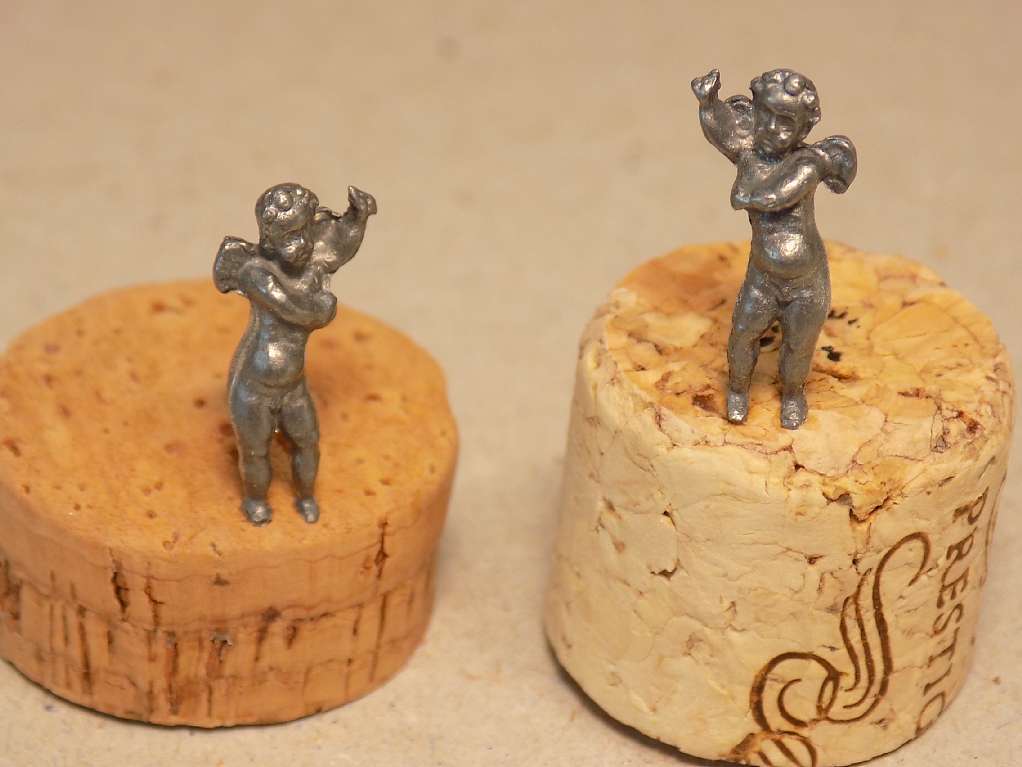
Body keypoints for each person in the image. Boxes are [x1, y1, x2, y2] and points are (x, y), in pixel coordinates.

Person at [691, 68, 856, 429]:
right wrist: (708, 103)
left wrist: (746, 195)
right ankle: (737, 389)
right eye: (764, 115)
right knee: (743, 334)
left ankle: (793, 393)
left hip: (806, 284)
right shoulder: (750, 153)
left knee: (798, 345)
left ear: (803, 128)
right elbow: (723, 134)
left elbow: (776, 195)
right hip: (762, 279)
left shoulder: (808, 163)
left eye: (784, 122)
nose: (771, 128)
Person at [214, 183, 377, 524]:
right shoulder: (256, 273)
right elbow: (294, 309)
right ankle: (255, 501)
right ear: (269, 240)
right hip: (254, 389)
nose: (301, 244)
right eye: (290, 236)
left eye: (305, 232)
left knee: (308, 442)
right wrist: (323, 308)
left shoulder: (309, 265)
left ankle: (306, 496)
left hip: (293, 387)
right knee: (256, 451)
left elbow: (339, 247)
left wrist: (357, 217)